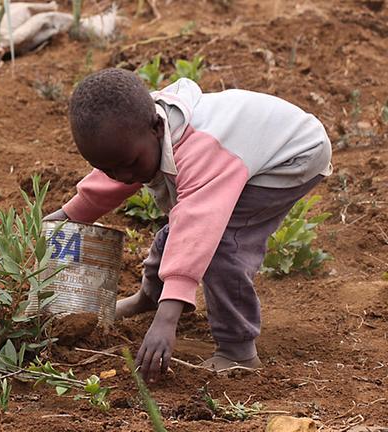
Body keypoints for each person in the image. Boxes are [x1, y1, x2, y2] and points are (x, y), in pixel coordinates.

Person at [45, 68, 332, 382]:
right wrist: (69, 216)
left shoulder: (199, 151)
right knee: (184, 228)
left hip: (293, 156)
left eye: (129, 165)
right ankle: (151, 297)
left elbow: (198, 226)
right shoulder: (138, 132)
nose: (124, 177)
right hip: (251, 147)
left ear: (156, 128)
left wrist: (168, 320)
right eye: (109, 169)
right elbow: (118, 170)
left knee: (222, 242)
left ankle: (238, 350)